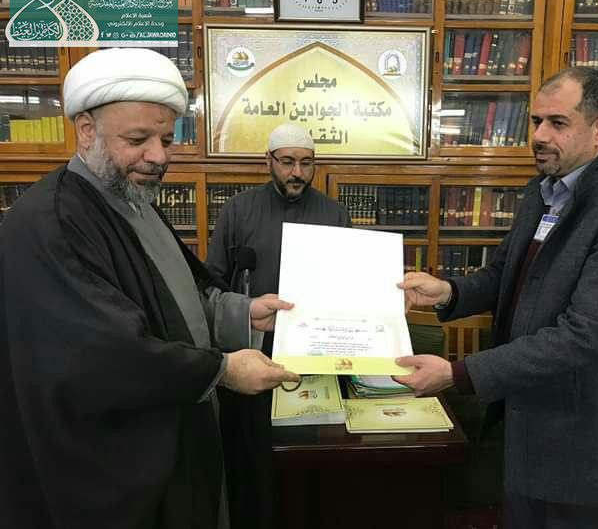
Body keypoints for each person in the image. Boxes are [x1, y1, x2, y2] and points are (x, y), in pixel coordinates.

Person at [0, 48, 299, 529]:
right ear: (86, 130)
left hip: (181, 430)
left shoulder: (129, 199)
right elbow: (102, 355)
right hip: (111, 469)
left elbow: (176, 297)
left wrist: (244, 313)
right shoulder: (52, 222)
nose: (159, 156)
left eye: (167, 138)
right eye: (138, 139)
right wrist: (222, 370)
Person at [394, 67, 598, 528]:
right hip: (528, 423)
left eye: (558, 123)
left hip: (586, 443)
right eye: (536, 121)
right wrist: (447, 291)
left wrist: (458, 373)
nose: (540, 136)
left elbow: (588, 333)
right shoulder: (544, 191)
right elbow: (506, 274)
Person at [206, 122, 350, 529]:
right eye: (287, 162)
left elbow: (348, 284)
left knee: (314, 462)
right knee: (252, 463)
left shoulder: (334, 214)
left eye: (306, 163)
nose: (296, 173)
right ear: (267, 161)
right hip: (252, 355)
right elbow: (212, 284)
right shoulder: (238, 210)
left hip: (318, 356)